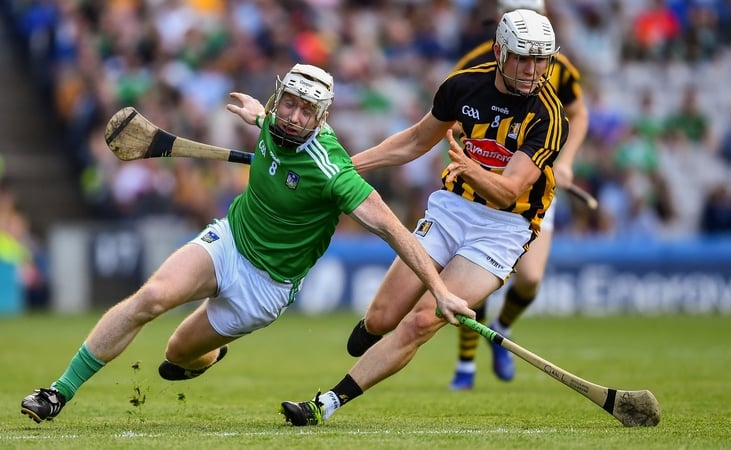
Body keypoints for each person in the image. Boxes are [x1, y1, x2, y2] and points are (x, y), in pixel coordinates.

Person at [19, 63, 473, 423]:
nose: (292, 117)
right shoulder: (273, 122)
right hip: (230, 241)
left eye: (305, 111)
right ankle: (58, 392)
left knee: (178, 353)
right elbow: (268, 120)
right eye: (288, 103)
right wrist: (258, 114)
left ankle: (210, 354)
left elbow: (395, 231)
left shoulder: (334, 172)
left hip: (266, 287)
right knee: (152, 298)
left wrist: (438, 289)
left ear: (321, 118)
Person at [280, 9, 567, 426]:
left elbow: (508, 190)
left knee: (419, 322)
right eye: (522, 58)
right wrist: (343, 168)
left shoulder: (549, 115)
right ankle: (375, 331)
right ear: (499, 52)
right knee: (382, 318)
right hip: (453, 209)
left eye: (540, 59)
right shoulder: (463, 87)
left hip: (503, 228)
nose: (531, 70)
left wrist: (471, 169)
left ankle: (325, 403)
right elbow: (415, 141)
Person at [448, 0, 589, 391]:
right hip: (482, 185)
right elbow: (452, 120)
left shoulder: (558, 68)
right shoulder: (475, 63)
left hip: (533, 190)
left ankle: (502, 327)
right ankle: (465, 364)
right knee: (471, 273)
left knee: (529, 279)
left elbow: (579, 114)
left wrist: (566, 161)